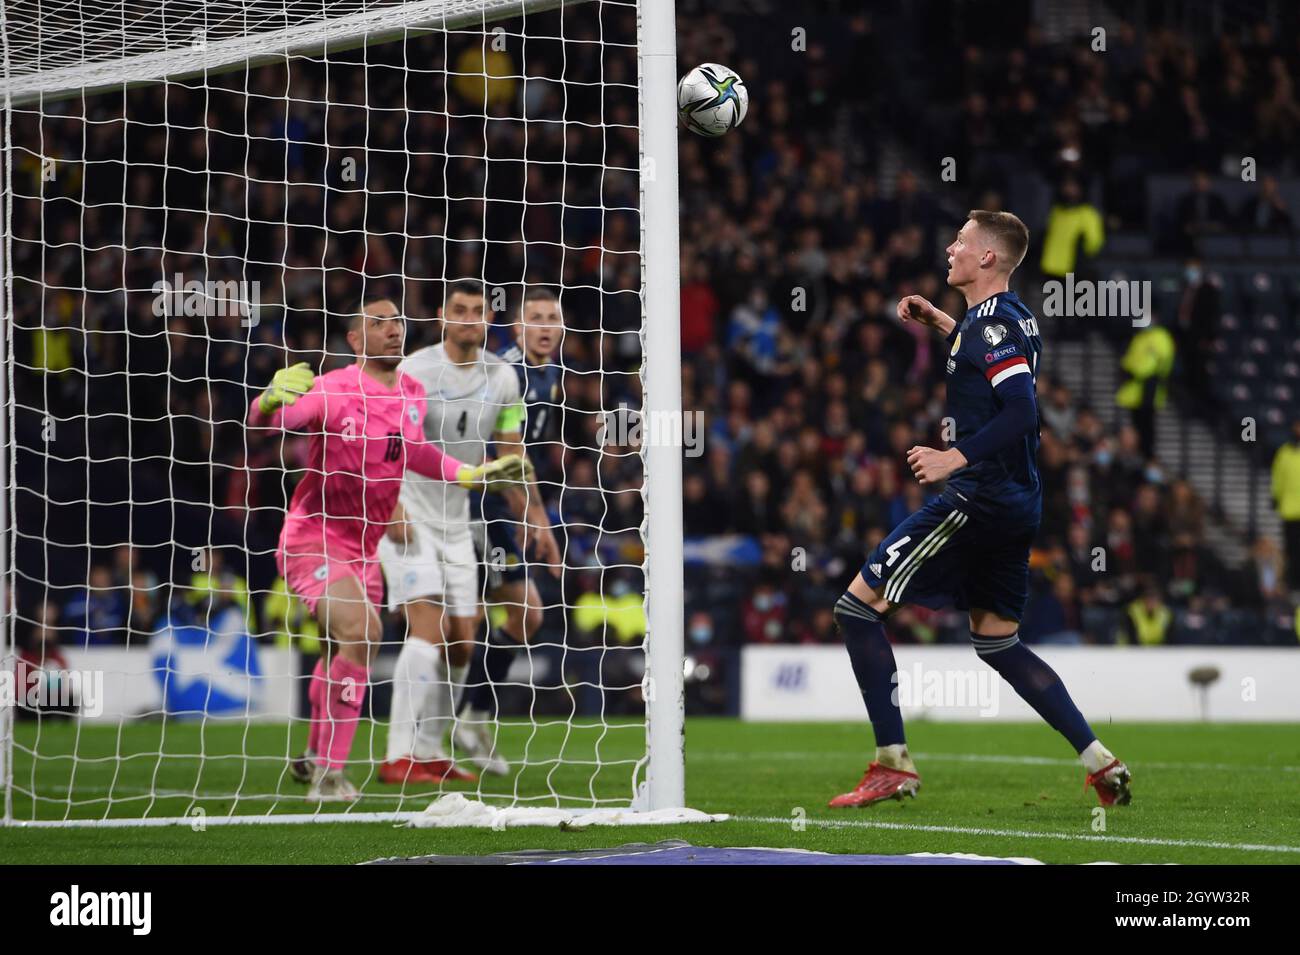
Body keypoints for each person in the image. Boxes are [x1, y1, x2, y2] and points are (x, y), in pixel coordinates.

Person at [828, 210, 1132, 809]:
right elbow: (987, 361)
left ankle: (894, 763)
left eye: (962, 242)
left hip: (979, 496)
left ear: (987, 258)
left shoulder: (994, 326)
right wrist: (941, 322)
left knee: (855, 609)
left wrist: (953, 458)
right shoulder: (997, 320)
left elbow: (1021, 412)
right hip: (1016, 502)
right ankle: (1100, 761)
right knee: (997, 642)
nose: (950, 248)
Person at [247, 296, 527, 802]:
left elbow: (414, 449)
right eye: (379, 324)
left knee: (344, 648)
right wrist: (266, 401)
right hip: (314, 537)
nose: (393, 330)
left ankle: (313, 757)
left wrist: (468, 473)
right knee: (363, 630)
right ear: (356, 340)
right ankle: (332, 775)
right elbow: (273, 425)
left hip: (364, 547)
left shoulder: (412, 392)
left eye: (397, 321)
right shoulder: (332, 389)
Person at [378, 281, 557, 782]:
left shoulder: (503, 379)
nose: (469, 320)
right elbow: (397, 444)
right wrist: (389, 502)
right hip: (411, 515)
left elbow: (511, 450)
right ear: (442, 316)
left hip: (457, 521)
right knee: (430, 631)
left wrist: (538, 517)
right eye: (459, 311)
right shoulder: (414, 370)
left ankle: (435, 747)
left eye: (478, 312)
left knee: (462, 639)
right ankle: (398, 754)